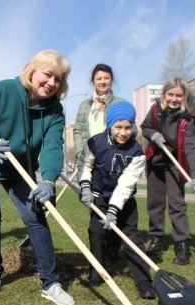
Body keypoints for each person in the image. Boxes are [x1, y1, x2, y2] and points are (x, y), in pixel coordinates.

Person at [0, 49, 74, 305]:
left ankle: (51, 283)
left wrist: (47, 180)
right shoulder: (4, 90)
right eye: (47, 75)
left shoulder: (55, 110)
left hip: (19, 169)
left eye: (58, 79)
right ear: (32, 71)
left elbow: (52, 146)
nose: (51, 83)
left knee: (36, 215)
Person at [78, 102, 155, 299]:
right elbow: (86, 166)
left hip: (124, 200)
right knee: (96, 232)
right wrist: (85, 188)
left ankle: (144, 281)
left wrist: (114, 210)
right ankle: (97, 272)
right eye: (118, 127)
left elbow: (126, 184)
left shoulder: (136, 152)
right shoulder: (95, 143)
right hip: (99, 197)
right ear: (110, 125)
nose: (123, 132)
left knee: (132, 238)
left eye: (128, 127)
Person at [141, 78, 195, 265]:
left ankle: (182, 245)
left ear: (184, 97)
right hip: (156, 162)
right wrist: (154, 135)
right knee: (155, 203)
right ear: (164, 95)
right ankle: (156, 240)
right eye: (171, 94)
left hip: (176, 164)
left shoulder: (187, 119)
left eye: (178, 95)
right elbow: (145, 127)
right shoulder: (155, 110)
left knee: (177, 204)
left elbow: (191, 148)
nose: (174, 99)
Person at [72, 63, 126, 261]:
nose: (103, 82)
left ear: (111, 80)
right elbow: (78, 130)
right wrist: (79, 151)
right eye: (99, 79)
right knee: (93, 203)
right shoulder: (85, 106)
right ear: (93, 81)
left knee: (113, 202)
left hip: (111, 162)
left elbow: (130, 129)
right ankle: (100, 246)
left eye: (106, 78)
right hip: (89, 161)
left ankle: (113, 247)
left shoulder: (119, 103)